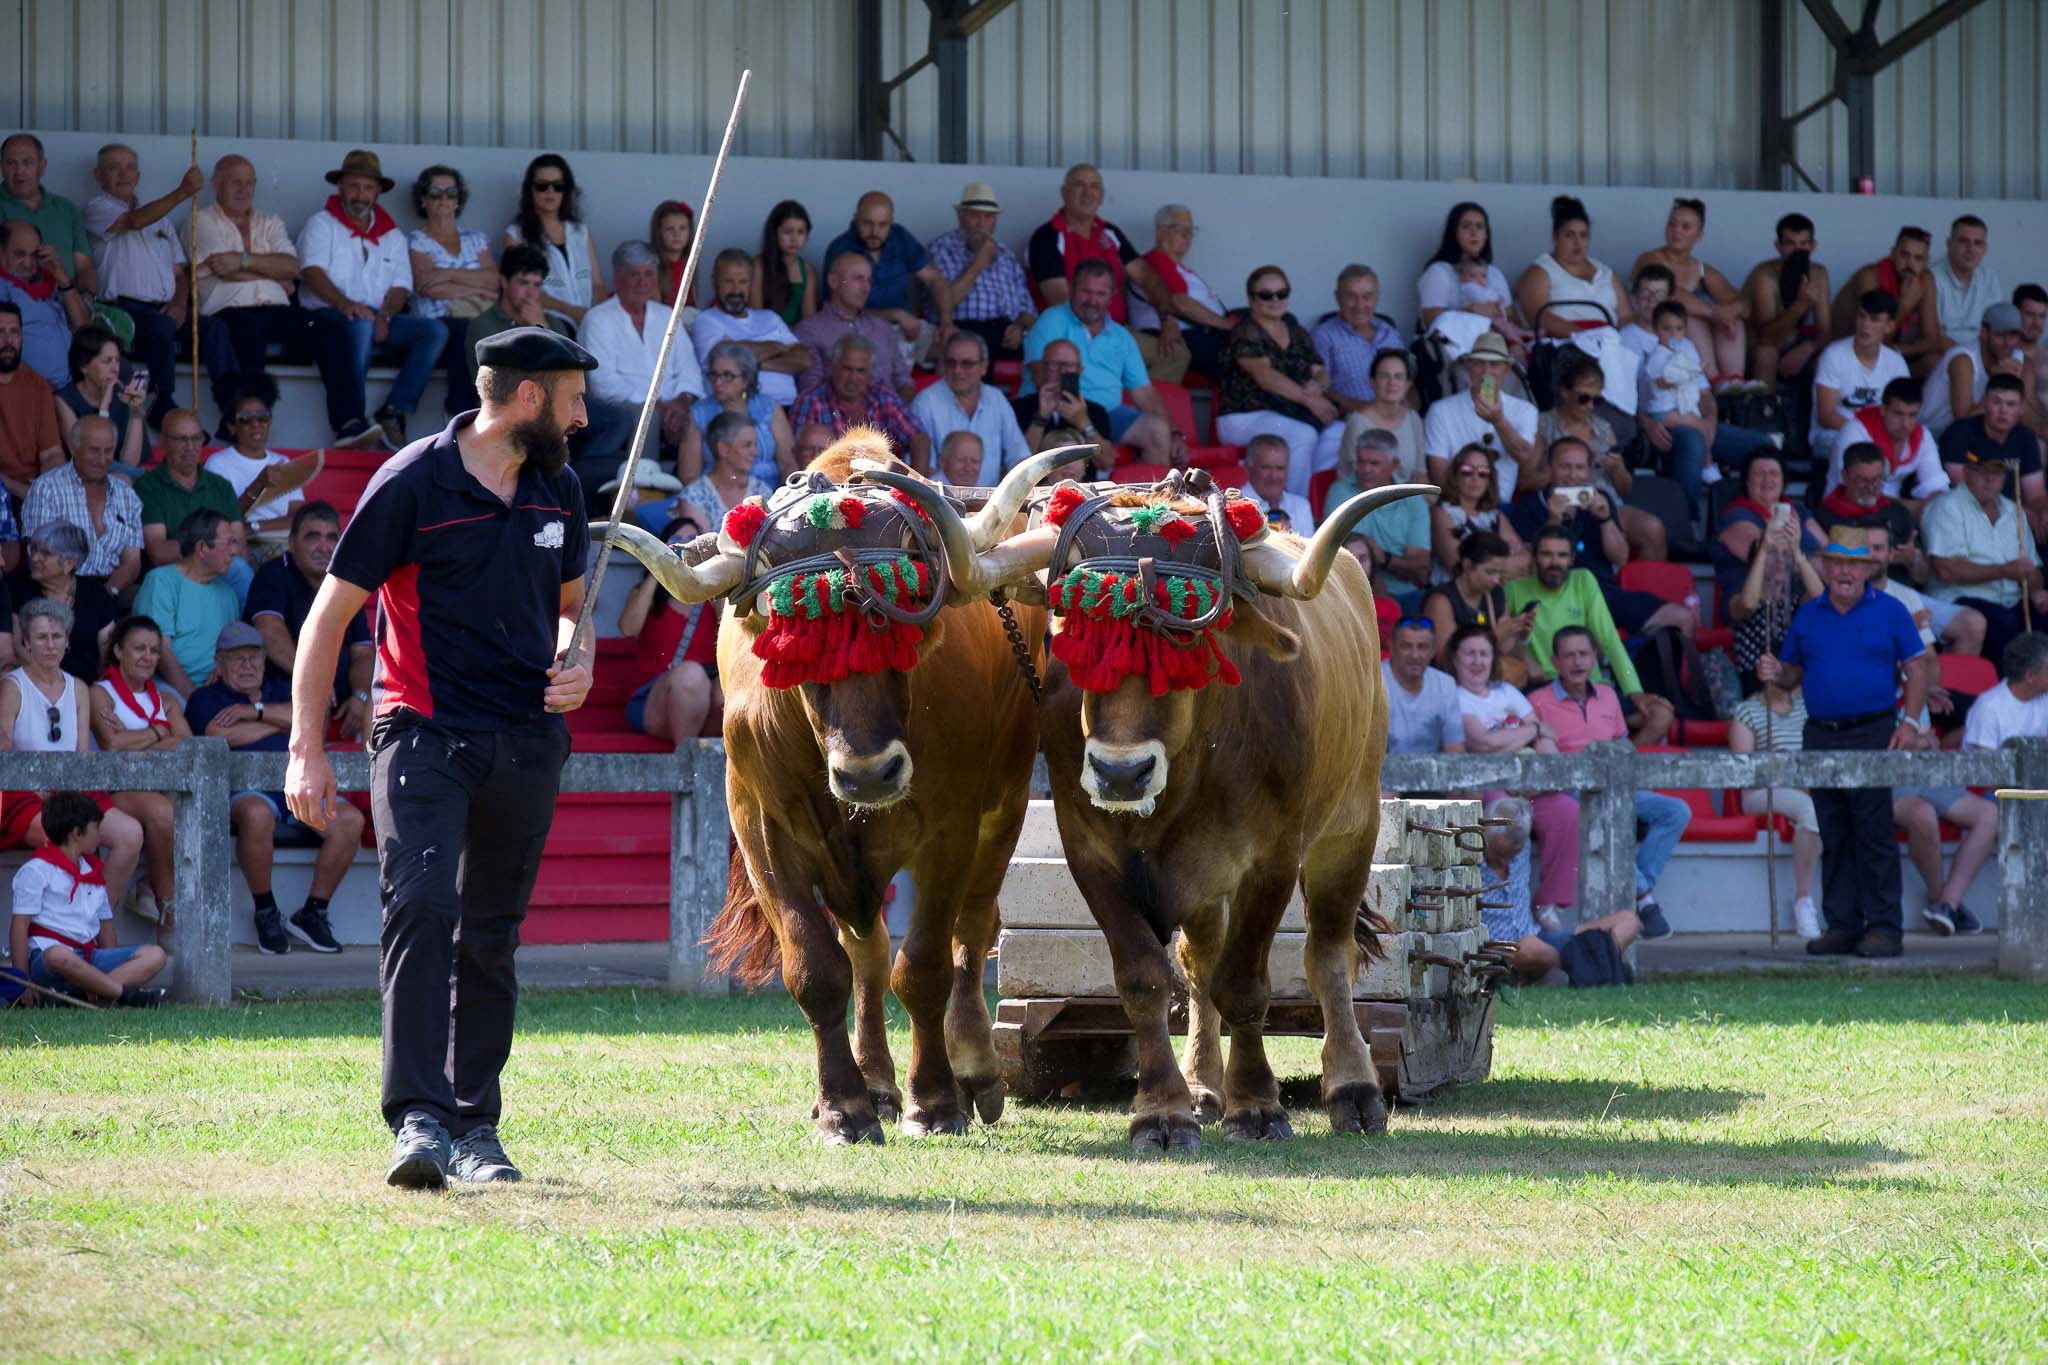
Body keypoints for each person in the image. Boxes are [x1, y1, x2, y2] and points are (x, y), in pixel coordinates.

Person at [285, 325, 598, 1190]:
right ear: (528, 397)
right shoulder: (411, 481)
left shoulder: (560, 486)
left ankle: (475, 1126)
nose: (582, 418)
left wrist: (580, 659)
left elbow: (574, 610)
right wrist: (305, 748)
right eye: (572, 399)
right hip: (422, 732)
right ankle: (418, 1120)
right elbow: (328, 618)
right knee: (423, 906)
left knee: (491, 934)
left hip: (528, 741)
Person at [1757, 525, 1928, 957]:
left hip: (1873, 729)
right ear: (1826, 567)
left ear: (1868, 570)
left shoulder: (1891, 611)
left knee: (1873, 831)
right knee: (1833, 830)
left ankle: (1885, 928)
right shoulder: (1809, 614)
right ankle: (1844, 925)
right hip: (1820, 733)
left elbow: (1919, 667)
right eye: (1838, 563)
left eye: (1854, 564)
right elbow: (1794, 673)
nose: (1845, 572)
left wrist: (1909, 722)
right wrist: (1777, 673)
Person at [185, 620, 363, 956]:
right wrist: (284, 725)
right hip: (243, 791)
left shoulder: (283, 688)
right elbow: (221, 736)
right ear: (219, 664)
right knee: (256, 813)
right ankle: (266, 910)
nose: (248, 665)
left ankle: (314, 911)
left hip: (295, 786)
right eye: (237, 659)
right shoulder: (206, 696)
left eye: (254, 657)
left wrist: (254, 713)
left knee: (350, 820)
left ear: (265, 660)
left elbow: (316, 721)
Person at [1530, 625, 1691, 936]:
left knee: (1677, 811)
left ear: (1595, 657)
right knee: (1597, 812)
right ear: (1555, 661)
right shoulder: (1537, 701)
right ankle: (1644, 900)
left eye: (1583, 654)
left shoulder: (1608, 696)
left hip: (1619, 784)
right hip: (1571, 789)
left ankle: (1636, 887)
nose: (1577, 662)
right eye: (1569, 655)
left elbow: (1621, 745)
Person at [0, 601, 147, 910]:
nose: (50, 644)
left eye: (57, 636)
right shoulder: (12, 687)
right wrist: (38, 789)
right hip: (25, 792)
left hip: (72, 787)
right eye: (41, 637)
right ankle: (62, 926)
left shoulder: (79, 687)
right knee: (63, 833)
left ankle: (92, 918)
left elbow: (81, 753)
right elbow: (4, 749)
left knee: (130, 834)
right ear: (25, 643)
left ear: (68, 641)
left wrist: (74, 795)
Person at [297, 149, 448, 449]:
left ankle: (394, 410)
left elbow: (401, 287)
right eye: (354, 186)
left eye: (368, 187)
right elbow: (311, 273)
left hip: (377, 317)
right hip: (323, 317)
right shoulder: (321, 224)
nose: (360, 194)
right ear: (340, 187)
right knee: (360, 328)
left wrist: (386, 316)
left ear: (378, 191)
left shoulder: (392, 235)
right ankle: (351, 423)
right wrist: (346, 305)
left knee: (435, 332)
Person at [1509, 436, 1690, 643]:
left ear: (1589, 472)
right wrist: (1553, 519)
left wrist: (1605, 519)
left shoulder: (1600, 498)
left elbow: (1620, 558)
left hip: (1604, 595)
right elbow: (1530, 569)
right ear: (1549, 469)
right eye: (1564, 467)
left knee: (1682, 619)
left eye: (1580, 468)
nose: (1572, 475)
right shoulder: (1530, 505)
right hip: (1555, 597)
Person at [1505, 525, 1674, 742]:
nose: (1554, 562)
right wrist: (1525, 660)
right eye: (1546, 554)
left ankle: (1620, 764)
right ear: (1535, 557)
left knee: (1661, 716)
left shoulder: (1583, 580)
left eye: (1562, 555)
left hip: (1591, 686)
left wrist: (1634, 690)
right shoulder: (1515, 589)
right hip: (1544, 688)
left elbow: (1609, 640)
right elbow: (1501, 643)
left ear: (1572, 558)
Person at [8, 791, 166, 1008]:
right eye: (96, 829)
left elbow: (105, 929)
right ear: (77, 833)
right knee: (58, 955)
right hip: (48, 960)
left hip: (87, 959)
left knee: (155, 955)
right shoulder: (37, 870)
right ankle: (124, 994)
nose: (100, 837)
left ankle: (90, 993)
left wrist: (112, 960)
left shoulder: (92, 873)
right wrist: (24, 982)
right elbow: (19, 926)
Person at [1019, 259, 1180, 468]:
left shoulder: (1121, 335)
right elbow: (1041, 376)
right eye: (1086, 292)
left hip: (1109, 414)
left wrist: (1174, 433)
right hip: (1059, 407)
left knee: (1158, 430)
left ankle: (1151, 499)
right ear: (1072, 289)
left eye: (1100, 294)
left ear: (1112, 296)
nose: (1092, 300)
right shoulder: (1051, 320)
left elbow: (1145, 393)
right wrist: (1080, 414)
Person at [84, 613, 189, 929]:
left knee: (174, 808)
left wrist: (137, 740)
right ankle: (168, 911)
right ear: (118, 651)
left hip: (159, 789)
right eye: (139, 648)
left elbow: (186, 744)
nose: (148, 657)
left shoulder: (167, 699)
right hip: (113, 789)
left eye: (154, 650)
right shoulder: (100, 692)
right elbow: (112, 744)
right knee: (161, 812)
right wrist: (160, 732)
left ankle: (147, 883)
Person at [84, 143, 200, 427]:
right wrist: (183, 192)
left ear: (138, 176)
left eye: (130, 168)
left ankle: (236, 411)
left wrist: (179, 304)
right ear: (98, 175)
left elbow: (180, 274)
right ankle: (163, 400)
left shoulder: (163, 222)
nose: (124, 174)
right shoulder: (97, 208)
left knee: (216, 330)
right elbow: (134, 221)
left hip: (164, 310)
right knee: (161, 328)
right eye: (114, 167)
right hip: (121, 311)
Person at [575, 240, 704, 494]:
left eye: (648, 274)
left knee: (699, 416)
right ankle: (643, 494)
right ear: (617, 278)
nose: (642, 282)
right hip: (621, 410)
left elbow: (689, 369)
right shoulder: (599, 319)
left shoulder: (667, 315)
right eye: (634, 274)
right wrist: (658, 405)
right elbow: (603, 385)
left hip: (673, 407)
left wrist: (681, 402)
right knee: (648, 416)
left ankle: (691, 500)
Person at [191, 154, 309, 428]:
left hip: (276, 311)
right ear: (216, 184)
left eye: (249, 183)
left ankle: (350, 423)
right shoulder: (202, 221)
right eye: (235, 182)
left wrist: (242, 261)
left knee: (325, 327)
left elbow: (292, 268)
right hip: (228, 313)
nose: (243, 189)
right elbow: (220, 267)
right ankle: (251, 418)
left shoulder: (270, 222)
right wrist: (273, 272)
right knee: (249, 330)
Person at [245, 501, 374, 740]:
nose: (324, 546)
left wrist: (360, 696)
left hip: (340, 699)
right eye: (313, 537)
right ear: (292, 543)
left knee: (377, 704)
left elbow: (363, 653)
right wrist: (313, 678)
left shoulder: (345, 582)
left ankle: (370, 775)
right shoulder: (273, 574)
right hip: (283, 690)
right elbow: (269, 631)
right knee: (313, 699)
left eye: (331, 537)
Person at [1213, 265, 1339, 498]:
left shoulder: (1297, 332)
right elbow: (1266, 377)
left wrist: (1318, 385)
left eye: (1281, 293)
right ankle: (1295, 506)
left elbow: (1321, 372)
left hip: (1289, 413)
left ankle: (1316, 498)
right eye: (1266, 294)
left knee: (1338, 431)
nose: (1275, 299)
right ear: (1251, 299)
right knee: (1303, 436)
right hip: (1243, 416)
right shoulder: (1245, 331)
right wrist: (1311, 400)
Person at [1539, 350, 1673, 563]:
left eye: (1597, 399)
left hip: (1605, 503)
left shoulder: (1603, 428)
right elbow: (1532, 476)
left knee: (1652, 528)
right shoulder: (1543, 424)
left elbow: (1625, 488)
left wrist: (1618, 469)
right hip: (1562, 503)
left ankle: (1639, 591)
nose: (1591, 406)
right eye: (1584, 398)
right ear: (1565, 392)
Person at [1922, 442, 2047, 669]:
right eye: (1982, 471)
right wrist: (2004, 571)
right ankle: (2004, 693)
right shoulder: (1947, 507)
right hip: (1960, 598)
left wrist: (2037, 592)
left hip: (2010, 601)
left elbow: (2033, 569)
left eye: (1996, 472)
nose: (1990, 479)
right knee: (2002, 623)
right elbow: (1946, 570)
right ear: (1967, 472)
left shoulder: (2014, 511)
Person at [1025, 164, 1176, 342]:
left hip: (1116, 332)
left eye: (1094, 186)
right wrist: (1104, 338)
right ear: (1064, 193)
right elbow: (1059, 302)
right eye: (1079, 185)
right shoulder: (1047, 237)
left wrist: (1167, 318)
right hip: (1071, 337)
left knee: (1176, 355)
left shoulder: (1110, 233)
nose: (1087, 193)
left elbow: (1148, 277)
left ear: (1102, 196)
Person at [1728, 680, 1824, 939]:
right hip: (1760, 792)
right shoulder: (1747, 711)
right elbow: (1744, 771)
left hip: (1807, 786)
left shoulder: (1807, 709)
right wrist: (1794, 783)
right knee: (1809, 809)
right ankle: (1803, 900)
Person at [617, 508, 720, 750]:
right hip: (654, 697)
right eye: (678, 541)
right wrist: (658, 566)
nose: (684, 548)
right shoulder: (647, 594)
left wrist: (715, 574)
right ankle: (687, 764)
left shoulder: (713, 597)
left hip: (705, 699)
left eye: (691, 542)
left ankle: (710, 759)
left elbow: (730, 627)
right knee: (691, 676)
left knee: (724, 694)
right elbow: (628, 629)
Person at [405, 164, 498, 417]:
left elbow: (495, 282)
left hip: (477, 319)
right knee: (465, 332)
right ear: (423, 200)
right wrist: (476, 284)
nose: (444, 199)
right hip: (436, 321)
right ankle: (460, 410)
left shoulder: (476, 239)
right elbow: (428, 288)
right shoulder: (416, 240)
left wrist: (446, 274)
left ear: (459, 200)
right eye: (435, 193)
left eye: (451, 193)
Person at [1628, 196, 1747, 384]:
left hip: (1684, 340)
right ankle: (1715, 380)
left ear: (1699, 235)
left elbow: (1745, 303)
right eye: (1672, 224)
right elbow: (1671, 293)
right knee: (1686, 316)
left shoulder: (1703, 270)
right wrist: (1715, 314)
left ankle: (1735, 381)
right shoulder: (1650, 259)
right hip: (1654, 334)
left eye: (1685, 227)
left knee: (1735, 320)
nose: (1677, 231)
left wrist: (1731, 311)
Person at [23, 414, 142, 593]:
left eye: (108, 450)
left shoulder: (125, 494)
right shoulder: (47, 488)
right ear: (73, 448)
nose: (102, 459)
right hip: (59, 590)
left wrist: (108, 594)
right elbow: (40, 557)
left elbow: (132, 562)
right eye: (94, 450)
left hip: (112, 589)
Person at [821, 190, 952, 345]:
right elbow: (839, 312)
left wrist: (946, 322)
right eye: (867, 223)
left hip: (905, 328)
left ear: (891, 222)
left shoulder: (899, 236)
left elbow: (934, 279)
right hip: (858, 331)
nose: (874, 232)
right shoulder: (841, 249)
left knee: (952, 349)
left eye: (882, 225)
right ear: (855, 219)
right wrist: (894, 315)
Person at [132, 509, 240, 695]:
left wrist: (224, 667)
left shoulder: (228, 593)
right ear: (202, 548)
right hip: (168, 688)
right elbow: (161, 653)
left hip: (217, 689)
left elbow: (234, 646)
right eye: (229, 543)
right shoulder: (161, 581)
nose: (235, 551)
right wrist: (195, 698)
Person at [1311, 265, 1406, 471]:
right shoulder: (1324, 335)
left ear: (1377, 297)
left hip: (1394, 419)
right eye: (1351, 297)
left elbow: (1406, 378)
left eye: (1367, 296)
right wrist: (1363, 410)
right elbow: (1322, 389)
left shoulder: (1389, 332)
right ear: (1337, 298)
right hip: (1347, 421)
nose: (1360, 304)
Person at [1422, 331, 1538, 500]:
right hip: (1455, 503)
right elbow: (1439, 471)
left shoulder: (1525, 410)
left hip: (1501, 505)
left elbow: (1524, 456)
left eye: (1494, 364)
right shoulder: (1441, 410)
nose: (1486, 371)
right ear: (1468, 366)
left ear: (1507, 369)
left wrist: (1498, 421)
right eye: (1479, 363)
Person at [926, 182, 1036, 361]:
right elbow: (943, 305)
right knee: (976, 346)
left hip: (1005, 334)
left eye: (988, 217)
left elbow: (1029, 312)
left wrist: (1019, 327)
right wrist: (979, 262)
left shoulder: (1005, 254)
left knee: (1045, 348)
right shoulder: (941, 248)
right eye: (974, 215)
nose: (981, 224)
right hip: (961, 331)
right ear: (960, 216)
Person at [688, 248, 809, 407]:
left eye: (743, 282)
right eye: (728, 282)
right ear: (714, 281)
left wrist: (755, 364)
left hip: (788, 407)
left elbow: (803, 360)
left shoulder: (770, 318)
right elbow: (723, 359)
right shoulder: (706, 320)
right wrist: (777, 347)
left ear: (751, 284)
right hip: (738, 410)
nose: (736, 290)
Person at [133, 410, 243, 583]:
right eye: (181, 439)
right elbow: (158, 553)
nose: (190, 447)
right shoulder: (148, 486)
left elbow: (239, 547)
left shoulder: (221, 487)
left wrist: (205, 549)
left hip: (221, 574)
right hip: (175, 576)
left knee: (240, 569)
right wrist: (213, 548)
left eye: (196, 438)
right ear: (163, 441)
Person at [1712, 449, 1826, 613]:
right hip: (1749, 598)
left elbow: (1829, 550)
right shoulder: (1736, 515)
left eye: (1774, 473)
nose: (1767, 480)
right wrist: (1814, 561)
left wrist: (1819, 563)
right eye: (1759, 474)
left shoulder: (1798, 510)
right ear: (1747, 481)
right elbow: (1773, 561)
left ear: (1783, 480)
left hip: (1797, 596)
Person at [790, 334, 928, 470]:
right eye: (847, 369)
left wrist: (917, 485)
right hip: (827, 485)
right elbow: (799, 456)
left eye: (860, 371)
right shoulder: (810, 401)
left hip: (881, 484)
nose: (853, 378)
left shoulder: (884, 398)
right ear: (833, 367)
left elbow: (919, 437)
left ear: (870, 372)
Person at [911, 329, 1031, 484]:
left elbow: (1020, 457)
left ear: (984, 366)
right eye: (951, 362)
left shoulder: (997, 399)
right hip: (943, 501)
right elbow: (924, 471)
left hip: (993, 501)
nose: (957, 370)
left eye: (966, 364)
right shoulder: (925, 402)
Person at [1129, 204, 1233, 384]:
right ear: (1160, 232)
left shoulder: (1177, 266)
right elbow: (1181, 303)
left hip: (1203, 330)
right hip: (1176, 334)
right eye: (1180, 229)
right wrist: (1229, 326)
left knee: (1282, 321)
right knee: (1247, 354)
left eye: (1191, 230)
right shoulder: (1157, 261)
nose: (1187, 236)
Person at [501, 153, 606, 332]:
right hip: (548, 323)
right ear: (530, 190)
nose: (550, 192)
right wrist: (572, 312)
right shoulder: (515, 236)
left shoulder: (580, 232)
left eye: (558, 186)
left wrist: (592, 316)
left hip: (589, 322)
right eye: (542, 186)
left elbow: (598, 285)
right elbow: (521, 291)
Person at [1727, 506, 1823, 695]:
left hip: (1792, 681)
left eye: (1785, 555)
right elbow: (1748, 604)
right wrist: (1764, 546)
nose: (1780, 560)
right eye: (1773, 554)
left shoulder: (1795, 601)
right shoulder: (1738, 599)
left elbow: (1822, 601)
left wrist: (1797, 551)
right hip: (1758, 684)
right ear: (1758, 561)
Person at [1330, 429, 1430, 608]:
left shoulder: (1413, 500)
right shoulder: (1340, 491)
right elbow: (1336, 552)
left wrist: (1384, 558)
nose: (1365, 470)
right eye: (1361, 462)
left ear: (1395, 464)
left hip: (1404, 595)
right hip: (1352, 592)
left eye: (1374, 463)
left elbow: (1421, 569)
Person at [1861, 518, 1985, 662]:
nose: (1869, 555)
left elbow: (1928, 659)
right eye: (1864, 548)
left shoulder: (1908, 597)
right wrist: (1905, 627)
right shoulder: (1841, 594)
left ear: (1891, 554)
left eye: (1877, 548)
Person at [1810, 289, 1909, 469]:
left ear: (1889, 326)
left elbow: (1905, 410)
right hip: (1833, 434)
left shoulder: (1896, 363)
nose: (1865, 325)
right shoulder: (1834, 355)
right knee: (1856, 454)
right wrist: (1866, 434)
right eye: (1862, 316)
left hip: (1879, 436)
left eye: (1874, 319)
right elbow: (1826, 416)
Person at [1516, 195, 1632, 347]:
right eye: (1569, 235)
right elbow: (1539, 317)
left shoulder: (1606, 273)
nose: (1577, 243)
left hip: (1608, 344)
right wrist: (1587, 338)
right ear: (1555, 237)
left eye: (1583, 235)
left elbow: (1626, 317)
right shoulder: (1540, 272)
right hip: (1564, 345)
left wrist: (1613, 340)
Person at [793, 250, 913, 397]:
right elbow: (811, 393)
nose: (867, 288)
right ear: (834, 281)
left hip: (889, 414)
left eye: (869, 280)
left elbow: (904, 382)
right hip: (838, 417)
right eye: (858, 279)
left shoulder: (882, 328)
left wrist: (900, 413)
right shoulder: (809, 330)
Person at [6, 522, 117, 680]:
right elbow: (18, 646)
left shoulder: (94, 592)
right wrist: (55, 685)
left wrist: (96, 689)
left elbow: (107, 650)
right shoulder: (17, 589)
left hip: (89, 685)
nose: (34, 558)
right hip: (36, 682)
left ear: (69, 563)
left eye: (45, 553)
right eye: (34, 549)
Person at [641, 409, 776, 535]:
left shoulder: (762, 492)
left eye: (755, 445)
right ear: (724, 449)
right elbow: (706, 551)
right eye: (747, 445)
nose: (755, 452)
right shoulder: (694, 496)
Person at [1937, 372, 2045, 529]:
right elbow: (1964, 489)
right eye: (1997, 402)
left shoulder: (2025, 437)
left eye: (2011, 404)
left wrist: (2043, 513)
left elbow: (2036, 495)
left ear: (2021, 408)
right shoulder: (1959, 432)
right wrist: (2018, 512)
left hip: (2007, 515)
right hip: (1960, 513)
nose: (2003, 411)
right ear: (1984, 402)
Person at [459, 244, 570, 396]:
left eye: (536, 285)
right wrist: (538, 335)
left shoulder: (553, 323)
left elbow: (567, 377)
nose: (531, 293)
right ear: (504, 282)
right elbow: (498, 388)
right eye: (523, 282)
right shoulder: (483, 325)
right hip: (503, 411)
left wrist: (542, 328)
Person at [1424, 530, 1533, 682]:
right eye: (1490, 572)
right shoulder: (1442, 600)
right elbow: (1445, 658)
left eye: (1500, 573)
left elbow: (1507, 651)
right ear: (1467, 565)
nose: (1496, 580)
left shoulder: (1496, 594)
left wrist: (1521, 635)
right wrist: (1493, 637)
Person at [1739, 212, 1833, 385]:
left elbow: (1825, 331)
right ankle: (1766, 411)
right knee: (1766, 353)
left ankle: (1819, 412)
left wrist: (1807, 348)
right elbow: (1766, 337)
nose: (1797, 250)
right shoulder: (1765, 276)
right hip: (1753, 350)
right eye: (1790, 243)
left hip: (1793, 342)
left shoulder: (1818, 274)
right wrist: (1800, 304)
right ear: (1778, 246)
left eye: (1803, 244)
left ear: (1813, 246)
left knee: (1830, 354)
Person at [1824, 377, 1948, 508]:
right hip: (1844, 510)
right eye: (1898, 414)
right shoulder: (1855, 432)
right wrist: (1913, 508)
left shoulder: (1922, 435)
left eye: (1912, 415)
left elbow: (1936, 485)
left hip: (1893, 513)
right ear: (1883, 410)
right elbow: (1856, 491)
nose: (1905, 424)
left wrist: (1935, 506)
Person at [1834, 226, 1943, 373]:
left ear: (1926, 262)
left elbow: (1933, 340)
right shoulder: (1871, 276)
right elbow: (1870, 337)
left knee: (1935, 361)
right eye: (1904, 255)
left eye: (1918, 258)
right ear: (1893, 254)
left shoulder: (1926, 279)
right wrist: (1904, 305)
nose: (1910, 264)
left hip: (1893, 350)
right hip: (1852, 355)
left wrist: (1898, 351)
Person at [0, 133, 96, 297]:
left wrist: (86, 300)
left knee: (121, 320)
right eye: (11, 163)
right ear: (1, 167)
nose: (19, 171)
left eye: (27, 163)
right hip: (12, 309)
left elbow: (84, 267)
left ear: (42, 166)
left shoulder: (66, 209)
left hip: (68, 305)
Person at [1, 220, 93, 388]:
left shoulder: (48, 282)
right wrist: (34, 385)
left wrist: (62, 278)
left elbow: (83, 327)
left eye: (34, 255)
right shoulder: (3, 288)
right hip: (35, 391)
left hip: (73, 385)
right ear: (1, 252)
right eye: (20, 254)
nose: (29, 263)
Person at [206, 378, 304, 536]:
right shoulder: (218, 464)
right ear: (232, 427)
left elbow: (299, 519)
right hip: (240, 545)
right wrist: (259, 484)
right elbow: (222, 520)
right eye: (245, 419)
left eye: (262, 417)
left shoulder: (283, 462)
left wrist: (253, 527)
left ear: (270, 421)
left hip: (281, 542)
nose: (255, 424)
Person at [1920, 301, 2031, 437]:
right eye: (2000, 335)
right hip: (1932, 434)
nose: (2008, 343)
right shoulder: (1963, 359)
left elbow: (2026, 415)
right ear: (1983, 333)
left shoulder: (2017, 357)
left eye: (2013, 336)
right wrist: (1995, 382)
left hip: (1975, 436)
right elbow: (1962, 423)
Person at [692, 341, 795, 486]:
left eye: (728, 376)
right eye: (714, 375)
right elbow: (689, 475)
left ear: (746, 379)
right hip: (719, 494)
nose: (718, 382)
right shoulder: (699, 412)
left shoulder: (769, 406)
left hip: (771, 493)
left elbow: (788, 463)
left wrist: (783, 499)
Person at [1449, 623, 1558, 756]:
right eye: (1470, 654)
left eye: (1484, 654)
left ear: (1492, 659)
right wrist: (1534, 729)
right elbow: (1484, 744)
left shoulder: (1506, 690)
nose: (1477, 661)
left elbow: (1544, 736)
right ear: (1455, 659)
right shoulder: (1452, 697)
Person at [53, 323, 147, 469]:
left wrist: (136, 412)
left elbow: (130, 462)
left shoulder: (122, 396)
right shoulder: (64, 399)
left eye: (117, 360)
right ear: (83, 366)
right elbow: (88, 460)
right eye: (107, 361)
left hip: (120, 478)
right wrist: (103, 408)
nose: (115, 368)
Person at [1417, 202, 1517, 340]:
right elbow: (1432, 322)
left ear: (1486, 235)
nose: (1474, 232)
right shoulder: (1439, 272)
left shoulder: (1495, 273)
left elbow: (1512, 319)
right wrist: (1471, 310)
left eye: (1480, 227)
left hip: (1494, 348)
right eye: (1466, 226)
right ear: (1454, 233)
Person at [0, 301, 65, 500]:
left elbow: (52, 453)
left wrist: (44, 489)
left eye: (14, 332)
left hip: (31, 490)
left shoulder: (37, 385)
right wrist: (12, 486)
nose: (8, 340)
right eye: (0, 332)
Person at [1013, 338, 1110, 468]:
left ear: (1080, 371)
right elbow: (1019, 465)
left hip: (1081, 485)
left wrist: (1084, 422)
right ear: (1043, 368)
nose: (1062, 371)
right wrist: (1040, 418)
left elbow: (1107, 462)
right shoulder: (1020, 408)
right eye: (1054, 364)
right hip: (1037, 487)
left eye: (1069, 365)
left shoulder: (1095, 411)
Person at [1380, 616, 1465, 755]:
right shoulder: (1374, 683)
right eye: (1406, 646)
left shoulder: (1446, 685)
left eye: (1423, 647)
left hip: (1432, 773)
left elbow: (1455, 750)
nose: (1415, 655)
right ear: (1392, 648)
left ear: (1433, 651)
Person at [1340, 349, 1426, 482]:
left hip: (1406, 498)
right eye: (1385, 376)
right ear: (1373, 382)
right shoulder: (1358, 422)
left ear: (1408, 384)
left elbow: (1420, 473)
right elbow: (1357, 479)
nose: (1392, 382)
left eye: (1398, 376)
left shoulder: (1413, 419)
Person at [1930, 214, 2001, 348]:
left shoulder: (1989, 277)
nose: (1971, 249)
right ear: (1949, 244)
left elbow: (1996, 327)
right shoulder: (1932, 277)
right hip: (1942, 351)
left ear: (1985, 248)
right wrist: (1963, 358)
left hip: (1982, 352)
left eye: (1977, 243)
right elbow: (1932, 335)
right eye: (1963, 241)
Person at [749, 199, 817, 327]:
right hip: (762, 336)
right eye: (788, 232)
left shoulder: (807, 270)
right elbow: (755, 315)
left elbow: (809, 320)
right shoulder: (758, 266)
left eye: (800, 232)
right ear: (774, 233)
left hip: (796, 338)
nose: (794, 239)